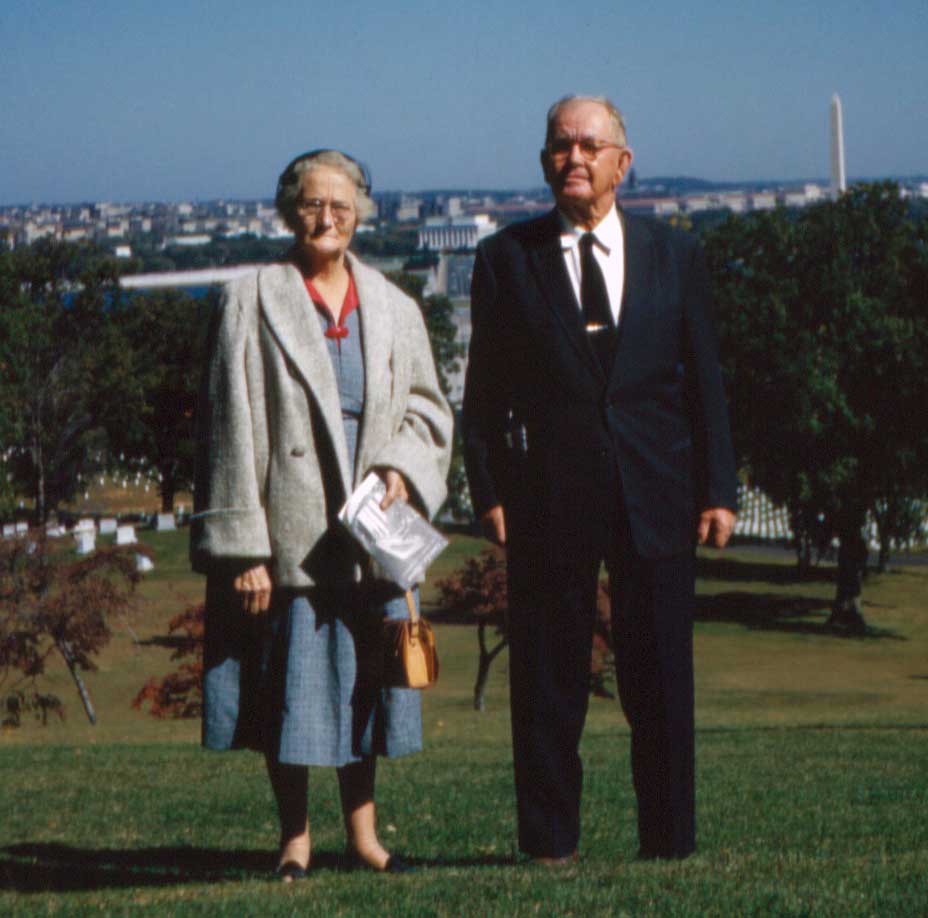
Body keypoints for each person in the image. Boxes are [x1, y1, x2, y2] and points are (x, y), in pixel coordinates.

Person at [462, 96, 738, 864]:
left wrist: (719, 486)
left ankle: (669, 845)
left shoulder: (675, 254)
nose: (572, 158)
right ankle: (550, 847)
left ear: (624, 162)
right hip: (547, 496)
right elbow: (483, 394)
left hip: (660, 494)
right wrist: (487, 490)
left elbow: (705, 381)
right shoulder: (504, 259)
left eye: (589, 145)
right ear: (544, 162)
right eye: (558, 146)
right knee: (548, 680)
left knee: (660, 683)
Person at [191, 149, 453, 880]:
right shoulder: (249, 297)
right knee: (292, 694)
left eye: (340, 205)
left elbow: (431, 409)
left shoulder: (396, 307)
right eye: (311, 204)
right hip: (291, 532)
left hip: (373, 537)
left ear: (362, 212)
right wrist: (244, 547)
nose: (326, 217)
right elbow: (225, 428)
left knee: (367, 689)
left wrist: (402, 466)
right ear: (287, 212)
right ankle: (296, 840)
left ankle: (365, 838)